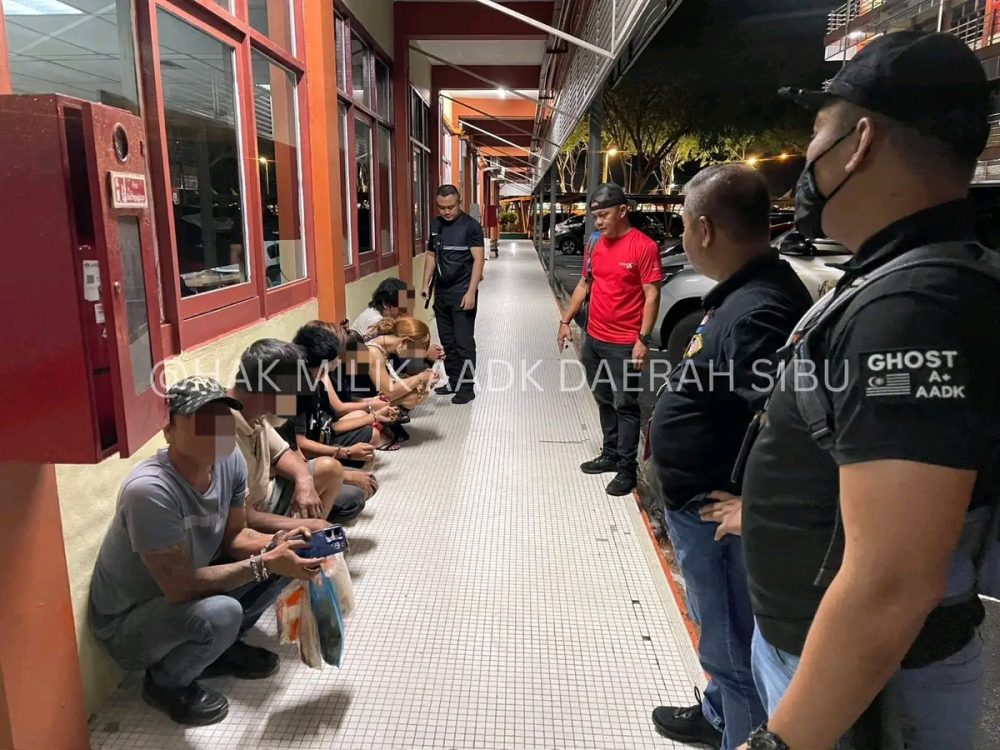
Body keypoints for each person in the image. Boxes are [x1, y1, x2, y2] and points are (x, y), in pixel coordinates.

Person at [735, 32, 1000, 750]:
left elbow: (892, 585)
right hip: (831, 661)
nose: (806, 160)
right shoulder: (899, 278)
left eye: (816, 134)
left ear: (860, 143)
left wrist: (780, 743)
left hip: (865, 689)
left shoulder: (915, 309)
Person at [647, 166, 812, 750]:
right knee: (719, 633)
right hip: (700, 505)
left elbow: (792, 427)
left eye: (682, 225)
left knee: (731, 647)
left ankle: (734, 728)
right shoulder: (745, 293)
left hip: (716, 516)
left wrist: (756, 505)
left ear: (704, 229)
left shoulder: (757, 311)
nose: (682, 236)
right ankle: (719, 712)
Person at [89, 377, 329, 726]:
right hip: (130, 622)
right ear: (168, 430)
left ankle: (219, 648)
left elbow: (235, 536)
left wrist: (281, 543)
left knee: (288, 559)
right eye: (201, 422)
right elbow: (181, 587)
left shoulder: (229, 460)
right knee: (222, 612)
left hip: (180, 590)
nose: (215, 432)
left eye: (221, 420)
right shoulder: (150, 491)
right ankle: (165, 683)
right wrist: (264, 562)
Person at [558, 183, 664, 496]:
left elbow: (652, 294)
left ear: (622, 211)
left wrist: (643, 339)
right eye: (595, 216)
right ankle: (610, 453)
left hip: (625, 342)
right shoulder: (594, 244)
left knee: (626, 404)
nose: (599, 222)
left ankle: (627, 469)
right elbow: (584, 284)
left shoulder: (643, 247)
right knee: (603, 397)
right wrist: (565, 321)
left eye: (604, 215)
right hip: (594, 338)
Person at [230, 339, 367, 523]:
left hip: (268, 494)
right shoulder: (220, 433)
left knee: (331, 469)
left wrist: (304, 481)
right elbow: (238, 519)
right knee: (340, 506)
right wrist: (308, 524)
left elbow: (282, 453)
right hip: (248, 517)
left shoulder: (256, 412)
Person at [292, 321, 402, 455]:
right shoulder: (294, 386)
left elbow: (330, 426)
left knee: (368, 449)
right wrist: (346, 452)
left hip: (322, 435)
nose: (336, 363)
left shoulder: (319, 380)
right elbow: (298, 443)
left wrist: (375, 415)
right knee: (331, 464)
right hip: (310, 444)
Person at [421, 184, 485, 404]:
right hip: (442, 293)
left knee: (463, 342)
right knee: (448, 341)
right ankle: (454, 380)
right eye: (442, 207)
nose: (446, 211)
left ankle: (467, 387)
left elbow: (478, 260)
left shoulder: (471, 227)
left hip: (462, 292)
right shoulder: (435, 225)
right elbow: (431, 255)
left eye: (451, 207)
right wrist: (425, 283)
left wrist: (471, 292)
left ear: (459, 202)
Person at [359, 317, 438, 411]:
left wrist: (423, 380)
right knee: (412, 397)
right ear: (405, 341)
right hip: (358, 402)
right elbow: (389, 392)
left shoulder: (386, 346)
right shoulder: (373, 351)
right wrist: (420, 378)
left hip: (371, 394)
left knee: (416, 390)